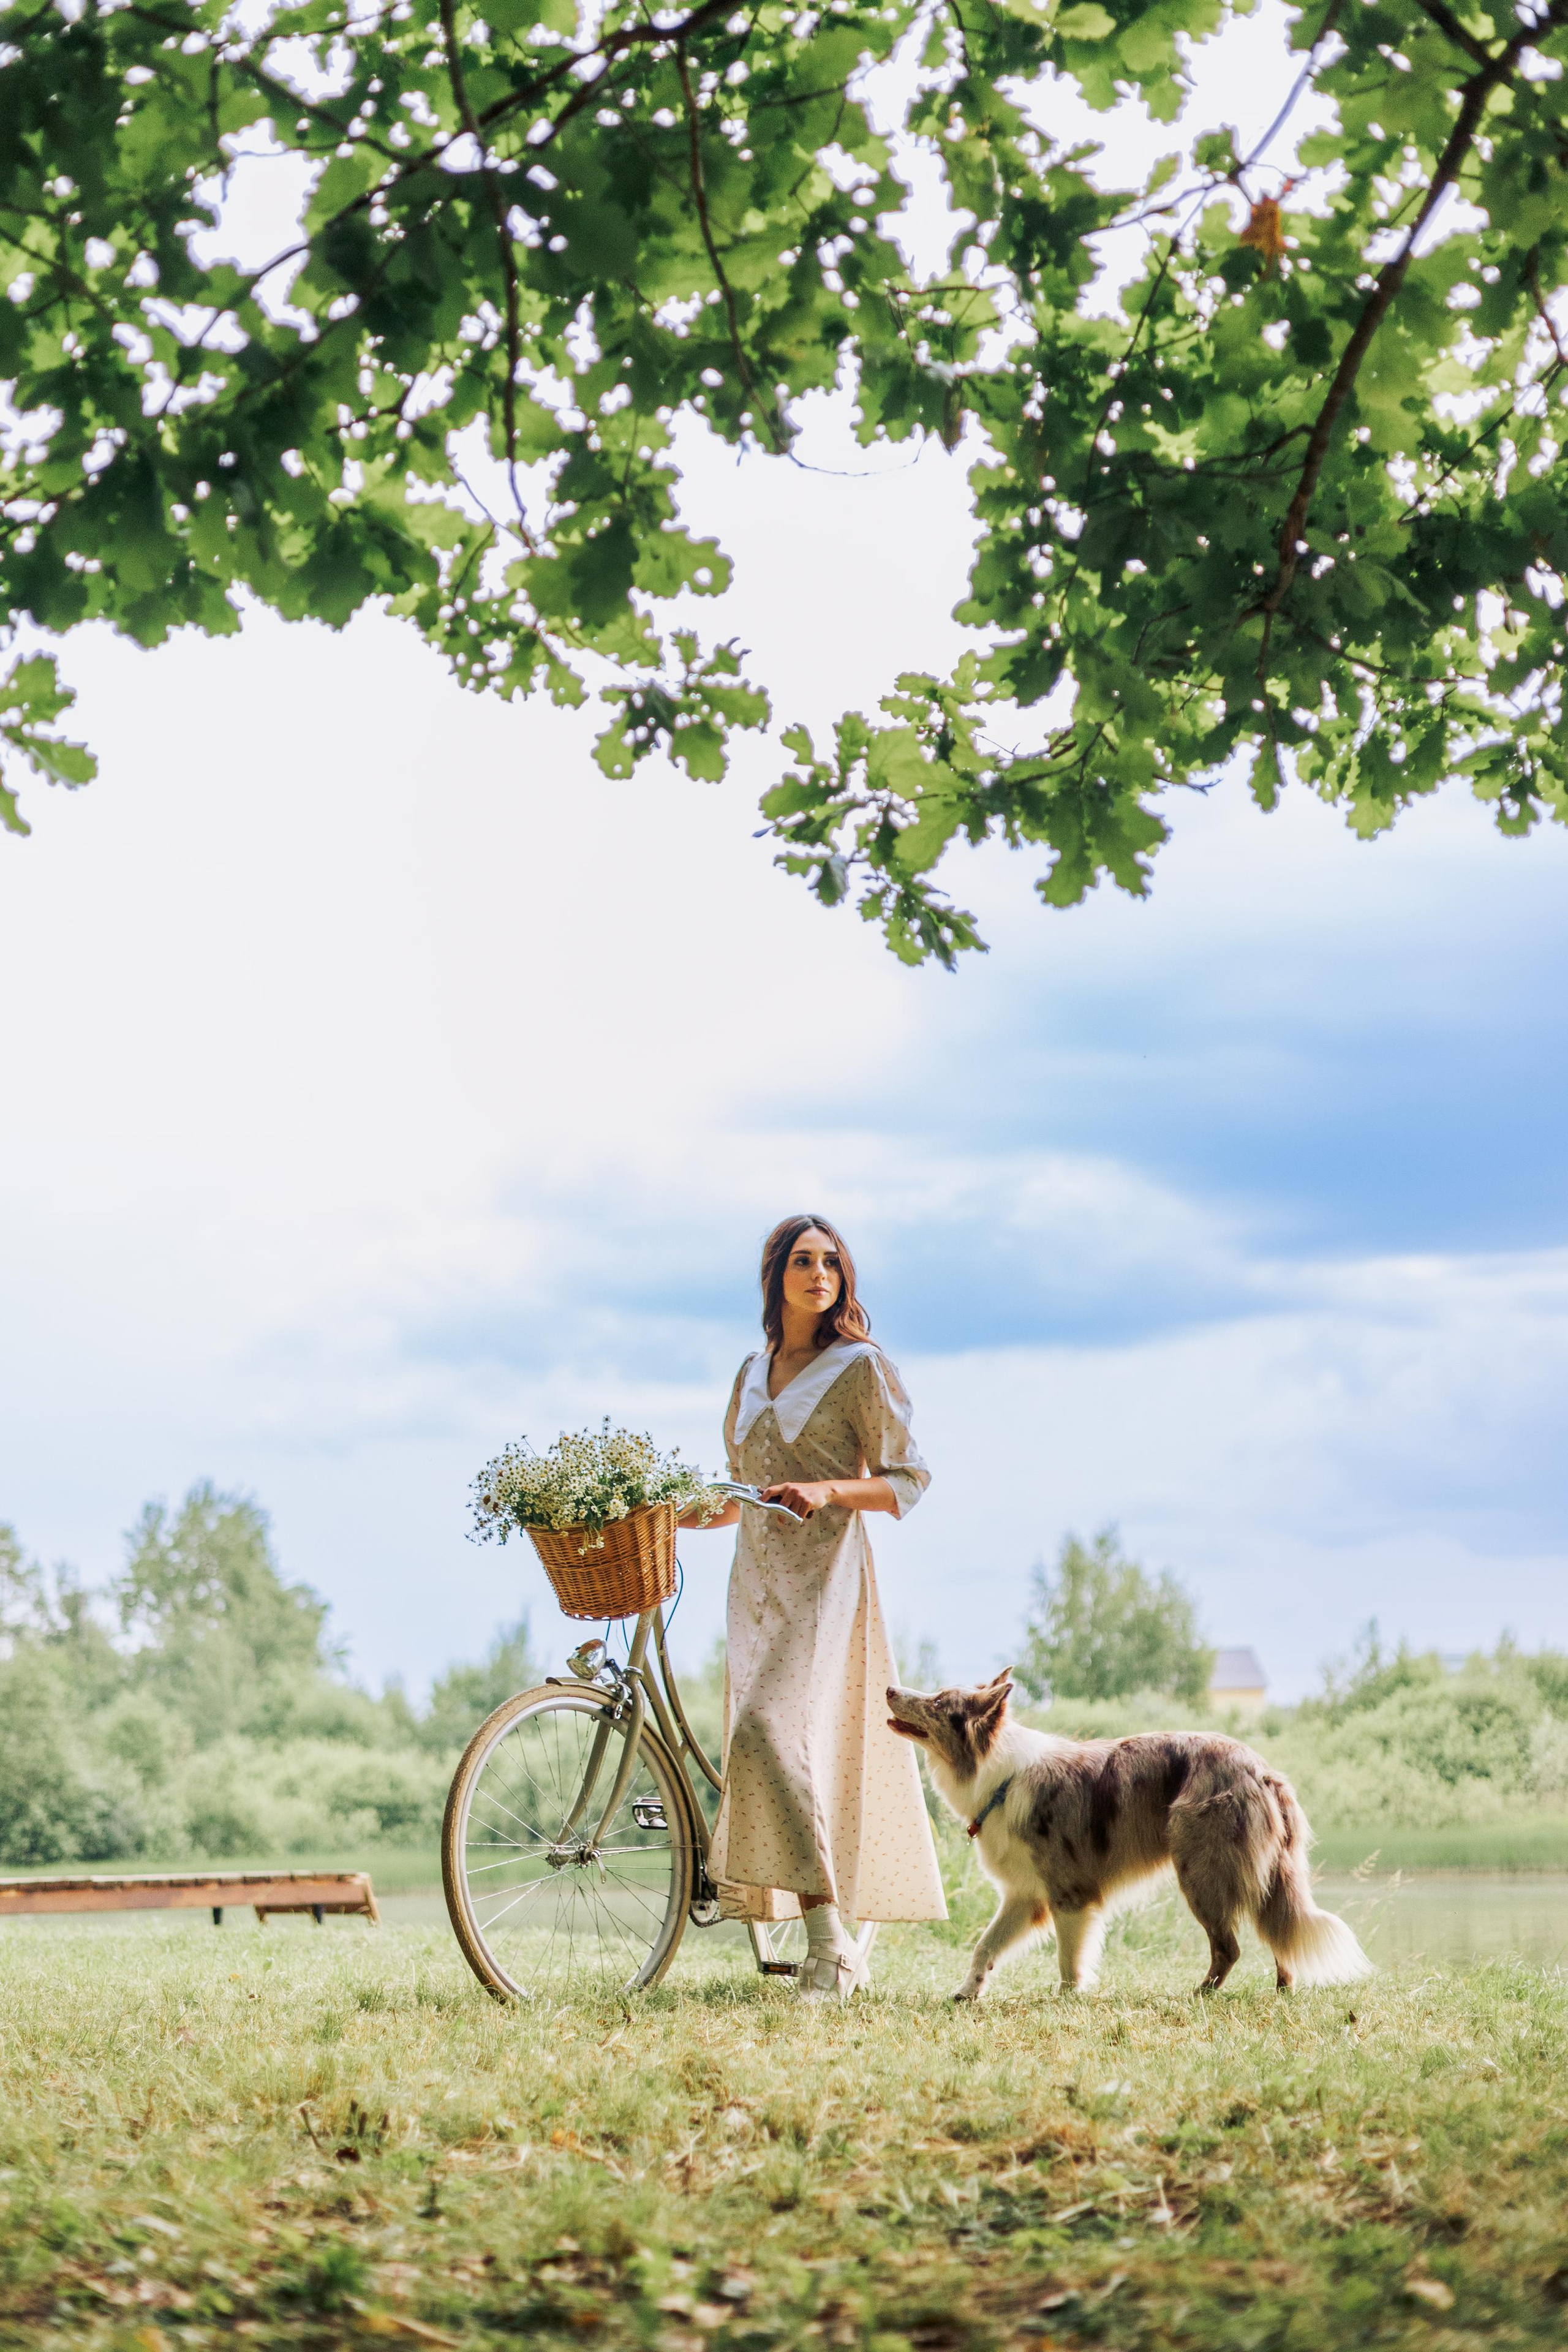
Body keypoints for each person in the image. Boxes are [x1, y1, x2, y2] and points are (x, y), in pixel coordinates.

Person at [680, 1214, 946, 1997]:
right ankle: (818, 1937)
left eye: (831, 1261)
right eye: (802, 1260)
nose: (819, 1273)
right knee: (765, 1742)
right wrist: (667, 1512)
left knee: (772, 1731)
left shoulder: (861, 1367)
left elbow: (906, 1481)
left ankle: (830, 1943)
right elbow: (740, 1495)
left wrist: (829, 1489)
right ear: (776, 1277)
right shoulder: (750, 1371)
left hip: (828, 1580)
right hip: (754, 1583)